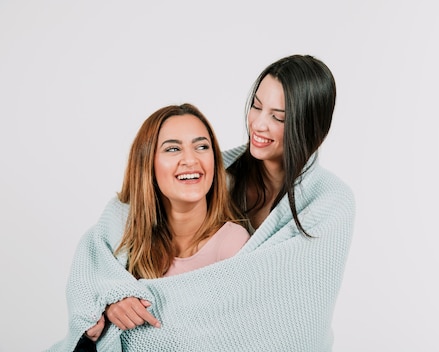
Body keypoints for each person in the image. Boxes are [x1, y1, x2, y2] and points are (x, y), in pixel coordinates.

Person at [48, 54, 355, 352]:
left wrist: (138, 310)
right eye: (256, 106)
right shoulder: (211, 173)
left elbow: (294, 307)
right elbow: (118, 225)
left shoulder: (328, 203)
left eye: (278, 117)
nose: (258, 125)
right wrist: (113, 292)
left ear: (311, 126)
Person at [48, 103, 250, 351]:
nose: (190, 159)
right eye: (173, 149)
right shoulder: (124, 236)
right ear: (148, 165)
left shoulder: (232, 244)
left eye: (202, 146)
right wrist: (111, 306)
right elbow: (93, 287)